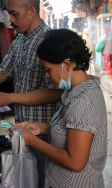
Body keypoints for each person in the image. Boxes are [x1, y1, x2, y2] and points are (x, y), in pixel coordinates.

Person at [0, 0, 62, 186]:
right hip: (23, 131)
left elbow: (55, 93)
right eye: (9, 14)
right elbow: (2, 72)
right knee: (27, 180)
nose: (11, 19)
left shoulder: (50, 42)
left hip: (44, 133)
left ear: (31, 11)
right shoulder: (19, 41)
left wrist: (9, 98)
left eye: (15, 14)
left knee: (44, 179)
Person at [14, 29, 107, 188]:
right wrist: (43, 128)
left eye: (48, 70)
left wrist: (32, 140)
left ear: (66, 64)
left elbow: (76, 162)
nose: (47, 76)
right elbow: (73, 131)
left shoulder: (82, 101)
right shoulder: (79, 90)